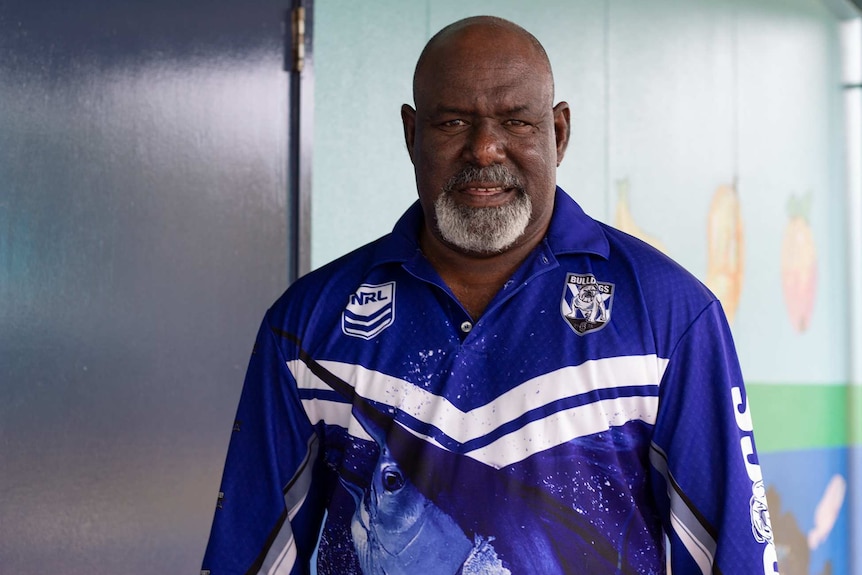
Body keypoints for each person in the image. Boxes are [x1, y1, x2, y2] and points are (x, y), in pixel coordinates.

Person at [202, 16, 778, 575]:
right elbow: (251, 553)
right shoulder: (307, 328)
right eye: (453, 122)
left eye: (516, 122)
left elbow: (732, 554)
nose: (484, 150)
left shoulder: (669, 317)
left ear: (558, 133)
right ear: (411, 135)